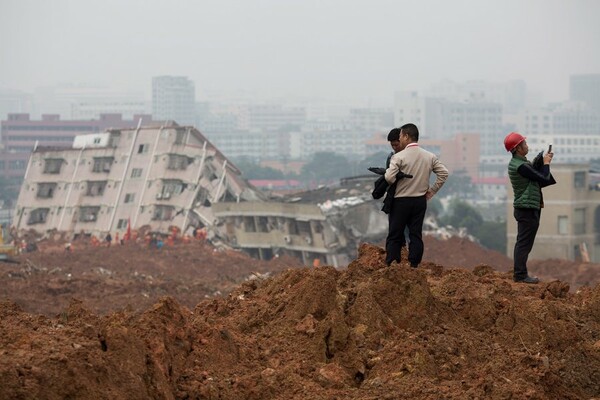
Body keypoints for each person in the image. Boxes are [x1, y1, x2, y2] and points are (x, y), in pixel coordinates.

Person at [384, 123, 448, 267]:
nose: (399, 139)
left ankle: (393, 264)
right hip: (420, 201)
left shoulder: (399, 157)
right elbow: (444, 173)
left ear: (406, 136)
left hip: (401, 201)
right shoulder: (429, 156)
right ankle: (414, 265)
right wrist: (431, 191)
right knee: (415, 234)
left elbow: (389, 178)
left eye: (400, 136)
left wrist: (393, 177)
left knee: (395, 234)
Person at [504, 132, 555, 284]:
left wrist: (538, 163)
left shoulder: (520, 164)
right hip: (526, 208)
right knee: (524, 243)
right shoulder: (521, 166)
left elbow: (534, 177)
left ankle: (520, 273)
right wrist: (545, 163)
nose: (527, 146)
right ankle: (520, 275)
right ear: (518, 148)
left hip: (526, 207)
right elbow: (543, 178)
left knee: (524, 242)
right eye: (524, 144)